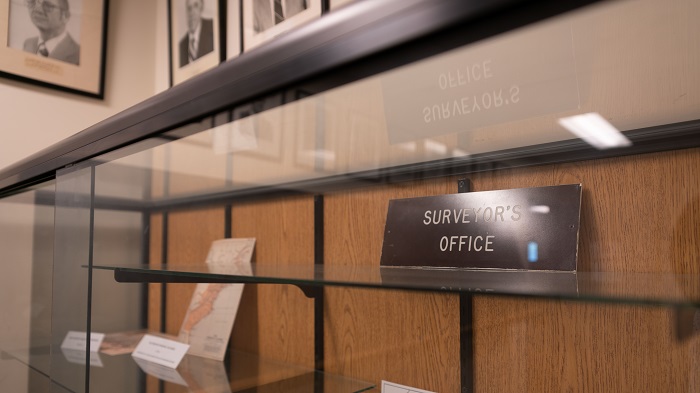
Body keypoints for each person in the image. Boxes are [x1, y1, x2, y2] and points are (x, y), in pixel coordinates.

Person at [22, 0, 80, 65]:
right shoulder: (28, 44)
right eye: (32, 2)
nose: (37, 10)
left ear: (65, 16)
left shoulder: (78, 55)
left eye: (48, 6)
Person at [179, 0, 214, 67]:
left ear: (201, 8)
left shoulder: (212, 29)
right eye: (189, 8)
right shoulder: (181, 46)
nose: (192, 12)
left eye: (195, 6)